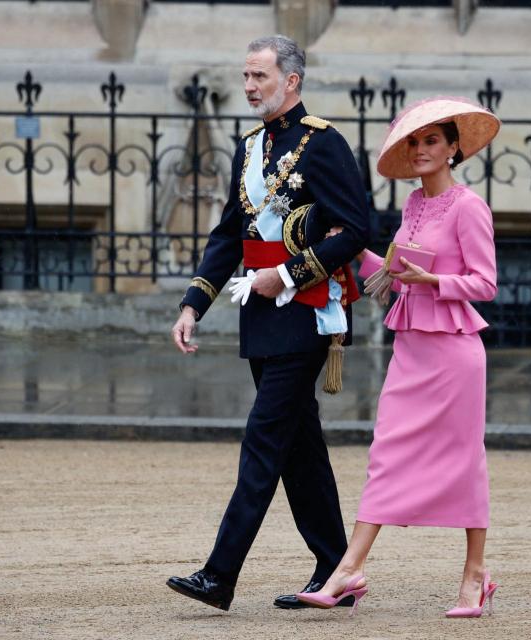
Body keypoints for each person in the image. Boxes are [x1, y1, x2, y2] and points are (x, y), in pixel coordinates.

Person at [166, 35, 370, 612]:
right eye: (246, 76)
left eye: (259, 76)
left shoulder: (325, 145)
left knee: (262, 440)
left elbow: (357, 230)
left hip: (307, 313)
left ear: (292, 81)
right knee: (298, 447)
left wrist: (289, 275)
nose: (250, 86)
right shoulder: (250, 147)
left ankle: (219, 574)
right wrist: (192, 305)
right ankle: (337, 570)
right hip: (259, 317)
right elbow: (229, 234)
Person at [296, 97, 501, 618]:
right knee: (385, 453)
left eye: (432, 140)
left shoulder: (469, 206)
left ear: (454, 148)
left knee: (463, 460)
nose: (421, 150)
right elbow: (388, 277)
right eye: (414, 142)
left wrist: (432, 280)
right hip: (410, 351)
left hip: (455, 355)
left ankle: (475, 574)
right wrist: (344, 244)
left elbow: (486, 284)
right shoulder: (412, 205)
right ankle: (349, 569)